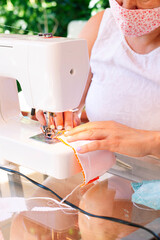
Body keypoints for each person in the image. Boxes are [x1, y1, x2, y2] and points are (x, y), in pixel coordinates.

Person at [37, 0, 160, 159]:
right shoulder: (100, 26)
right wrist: (57, 106)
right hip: (96, 165)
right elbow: (68, 97)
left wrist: (150, 142)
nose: (126, 6)